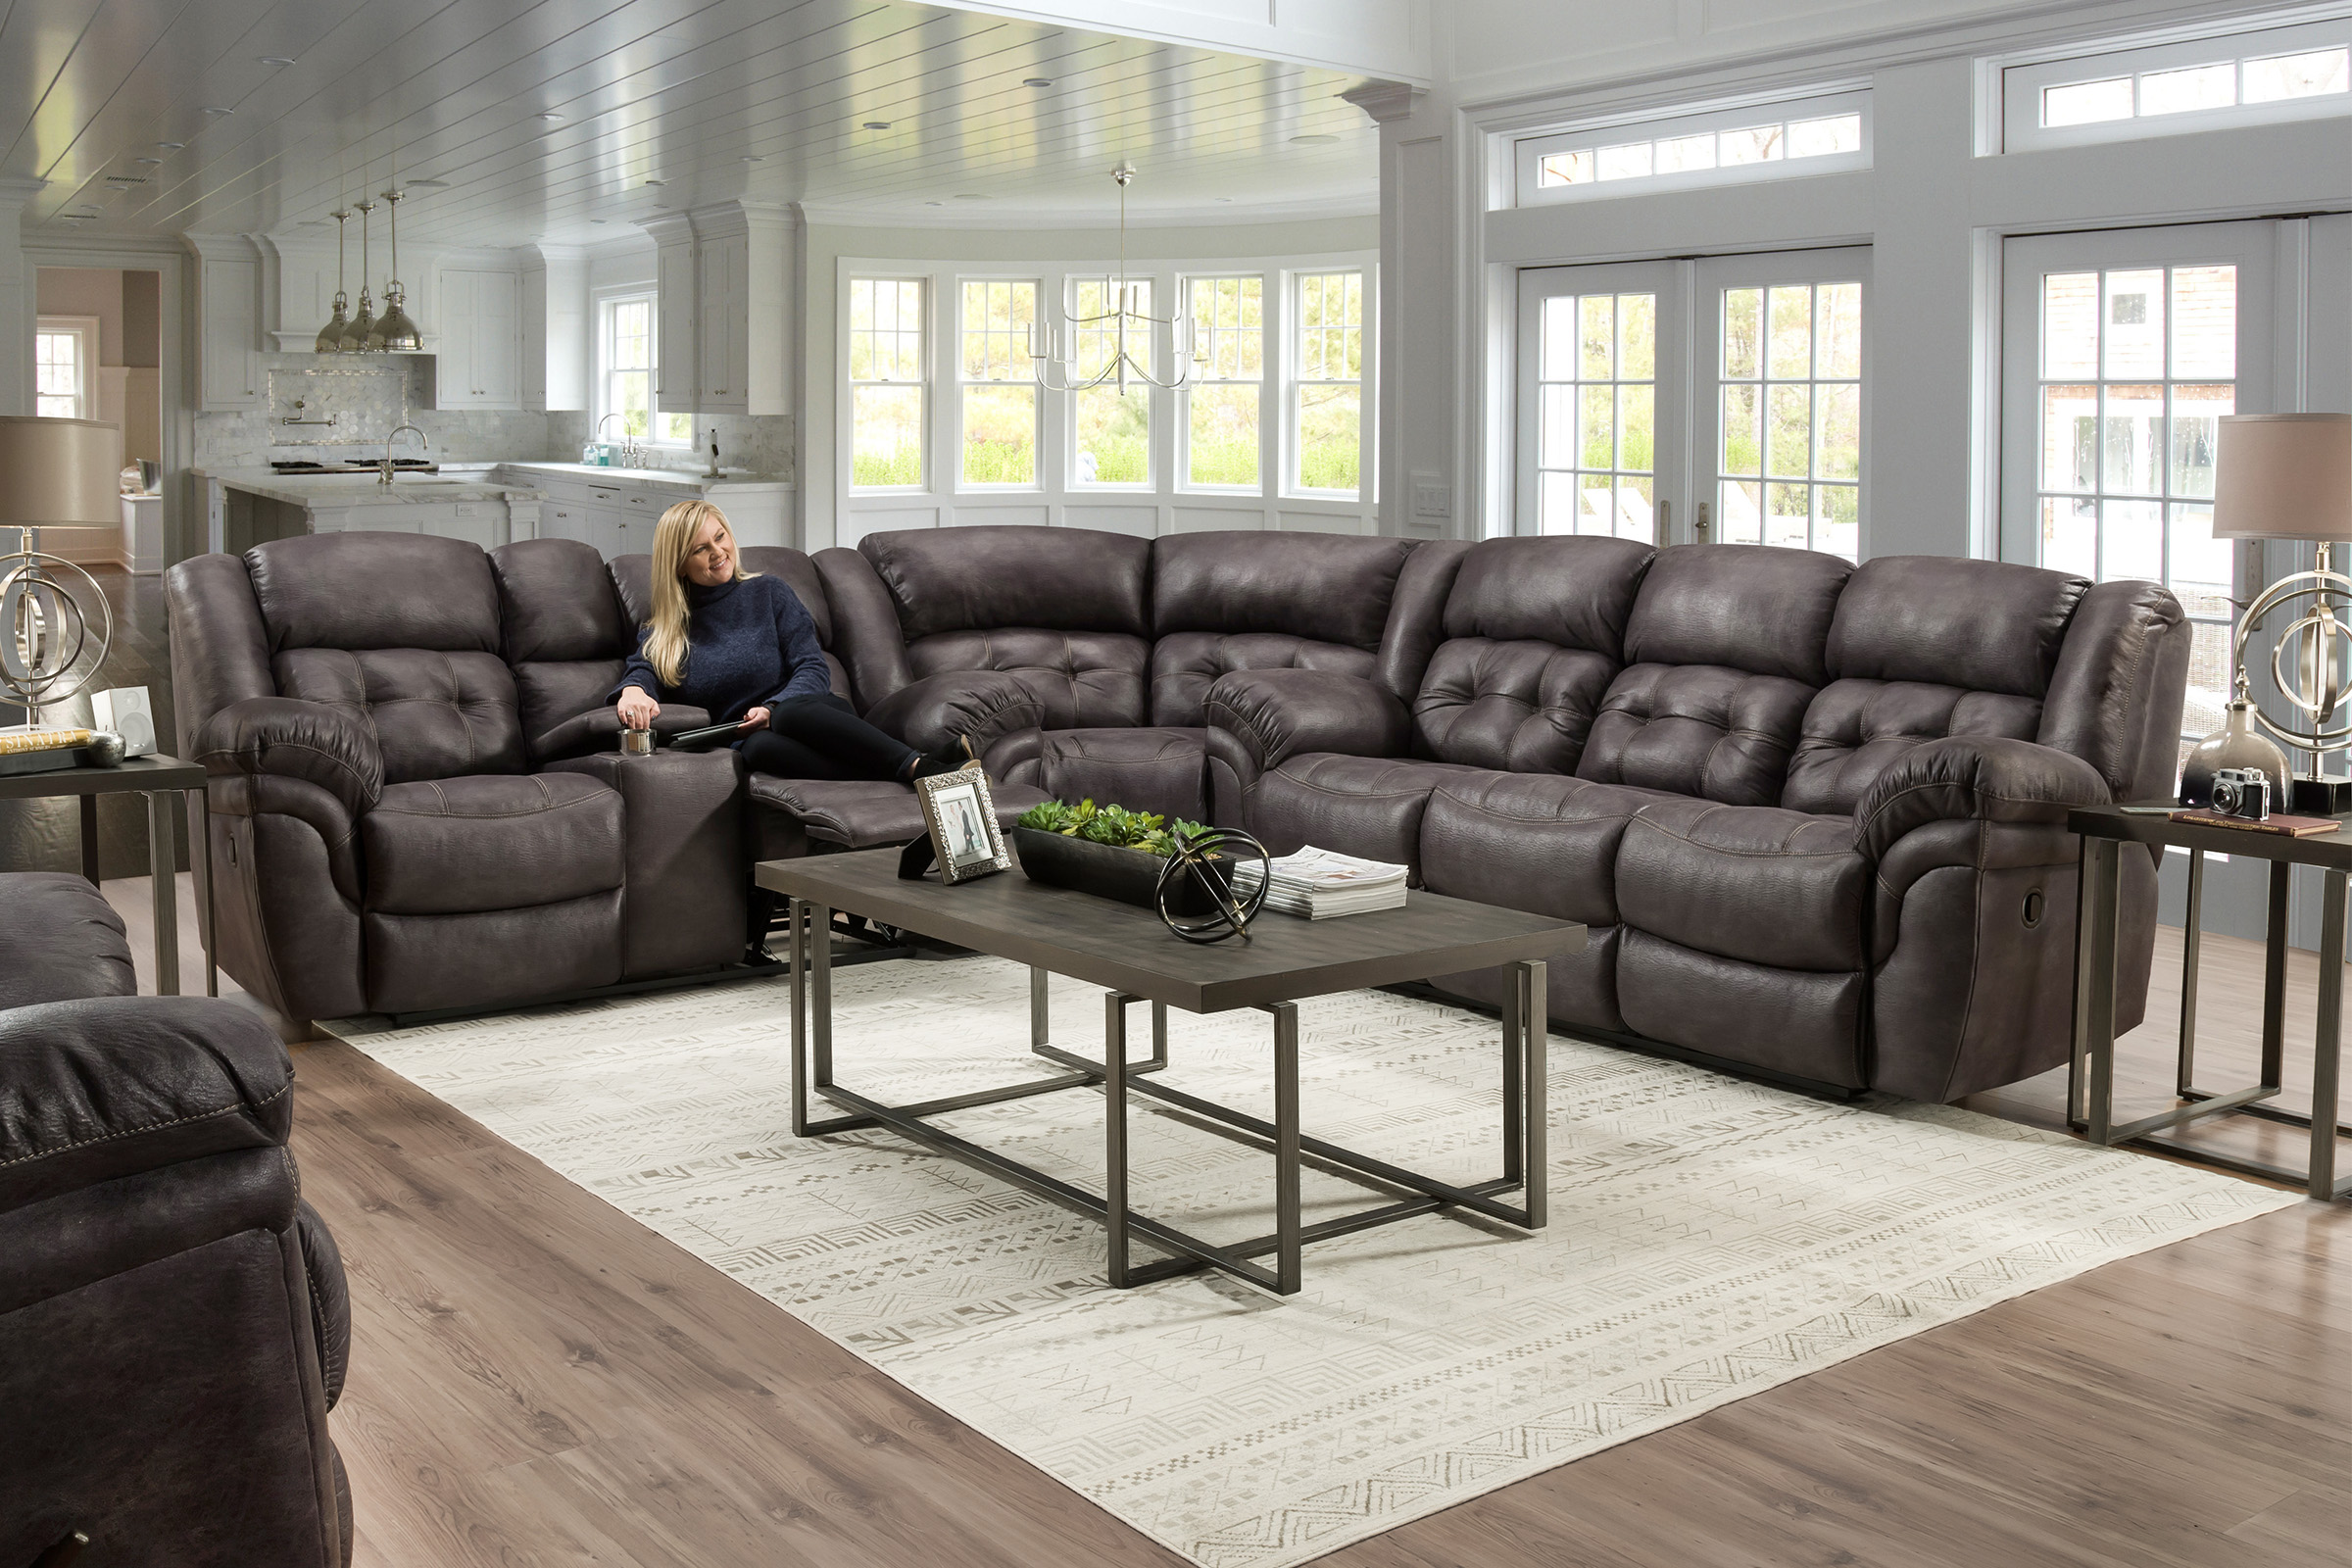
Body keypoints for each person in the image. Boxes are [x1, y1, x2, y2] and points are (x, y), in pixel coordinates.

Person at [611, 500, 965, 783]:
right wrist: (633, 692)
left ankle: (920, 767)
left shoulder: (768, 592)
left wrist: (773, 707)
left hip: (812, 714)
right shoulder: (667, 628)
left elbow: (812, 666)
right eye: (700, 549)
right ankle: (917, 766)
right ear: (679, 564)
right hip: (750, 735)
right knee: (760, 750)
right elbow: (642, 670)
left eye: (721, 537)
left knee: (790, 714)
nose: (718, 552)